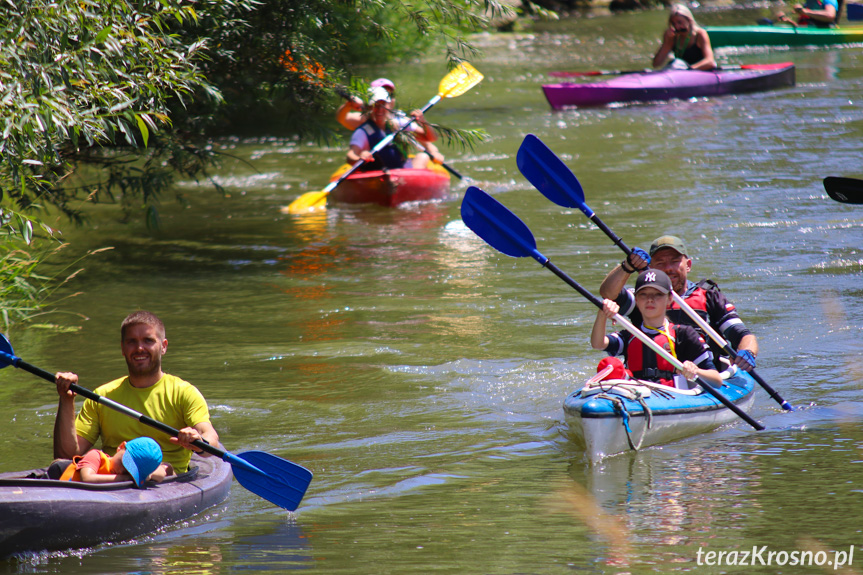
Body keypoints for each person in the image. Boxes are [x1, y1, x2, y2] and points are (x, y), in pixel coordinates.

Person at [53, 311, 220, 477]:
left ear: (163, 346)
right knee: (59, 466)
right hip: (112, 479)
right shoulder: (102, 395)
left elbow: (211, 439)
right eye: (132, 342)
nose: (140, 348)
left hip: (165, 480)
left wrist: (197, 441)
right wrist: (66, 399)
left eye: (148, 341)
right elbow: (65, 456)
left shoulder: (184, 393)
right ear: (123, 348)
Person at [599, 235, 759, 372]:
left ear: (688, 265)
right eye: (660, 263)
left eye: (675, 261)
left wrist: (747, 352)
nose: (668, 269)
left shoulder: (709, 296)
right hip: (650, 379)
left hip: (701, 377)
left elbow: (742, 334)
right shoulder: (642, 297)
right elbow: (607, 294)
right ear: (651, 268)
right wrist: (628, 266)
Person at [591, 269, 722, 389]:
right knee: (611, 365)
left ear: (670, 299)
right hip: (637, 395)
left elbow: (716, 380)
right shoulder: (630, 335)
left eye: (657, 294)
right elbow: (598, 344)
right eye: (644, 294)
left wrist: (695, 371)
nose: (650, 300)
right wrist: (602, 314)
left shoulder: (684, 335)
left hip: (673, 396)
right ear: (636, 299)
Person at [339, 78, 444, 166]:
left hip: (399, 167)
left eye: (384, 102)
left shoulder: (400, 122)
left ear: (389, 102)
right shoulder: (362, 125)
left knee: (423, 156)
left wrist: (423, 122)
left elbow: (430, 139)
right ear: (369, 106)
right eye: (376, 105)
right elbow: (342, 119)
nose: (379, 109)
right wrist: (348, 105)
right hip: (376, 169)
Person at [58, 436, 166, 486]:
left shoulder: (137, 472)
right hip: (63, 493)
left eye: (129, 471)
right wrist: (126, 478)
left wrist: (146, 475)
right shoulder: (95, 456)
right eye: (125, 463)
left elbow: (161, 475)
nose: (121, 471)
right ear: (120, 447)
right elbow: (87, 478)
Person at [653, 4, 717, 71]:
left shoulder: (699, 34)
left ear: (689, 21)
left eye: (680, 22)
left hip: (698, 71)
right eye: (674, 23)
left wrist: (688, 70)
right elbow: (656, 64)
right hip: (681, 71)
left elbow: (710, 62)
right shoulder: (672, 36)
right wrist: (666, 42)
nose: (677, 27)